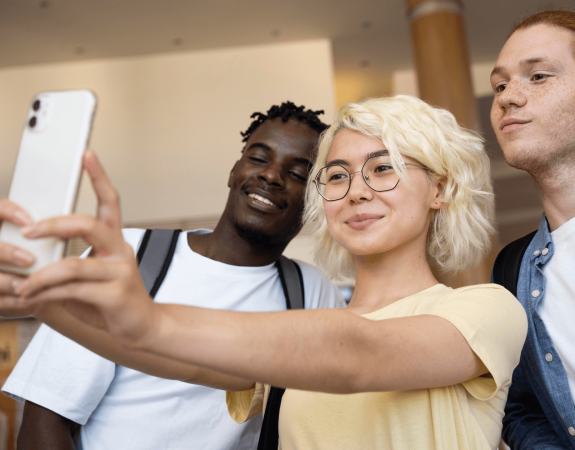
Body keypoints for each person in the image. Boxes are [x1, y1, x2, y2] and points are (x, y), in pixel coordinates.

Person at [1, 95, 527, 449]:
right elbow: (160, 353)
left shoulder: (484, 309)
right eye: (337, 175)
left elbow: (357, 354)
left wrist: (147, 318)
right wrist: (44, 299)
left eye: (383, 167)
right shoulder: (301, 330)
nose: (356, 190)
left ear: (441, 189)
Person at [0, 102, 345, 450]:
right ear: (233, 171)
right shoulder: (130, 255)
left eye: (299, 173)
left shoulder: (312, 293)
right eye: (258, 158)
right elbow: (45, 419)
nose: (271, 175)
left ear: (314, 199)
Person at [489, 10, 575, 449]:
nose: (508, 97)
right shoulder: (512, 266)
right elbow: (522, 407)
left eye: (537, 76)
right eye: (500, 85)